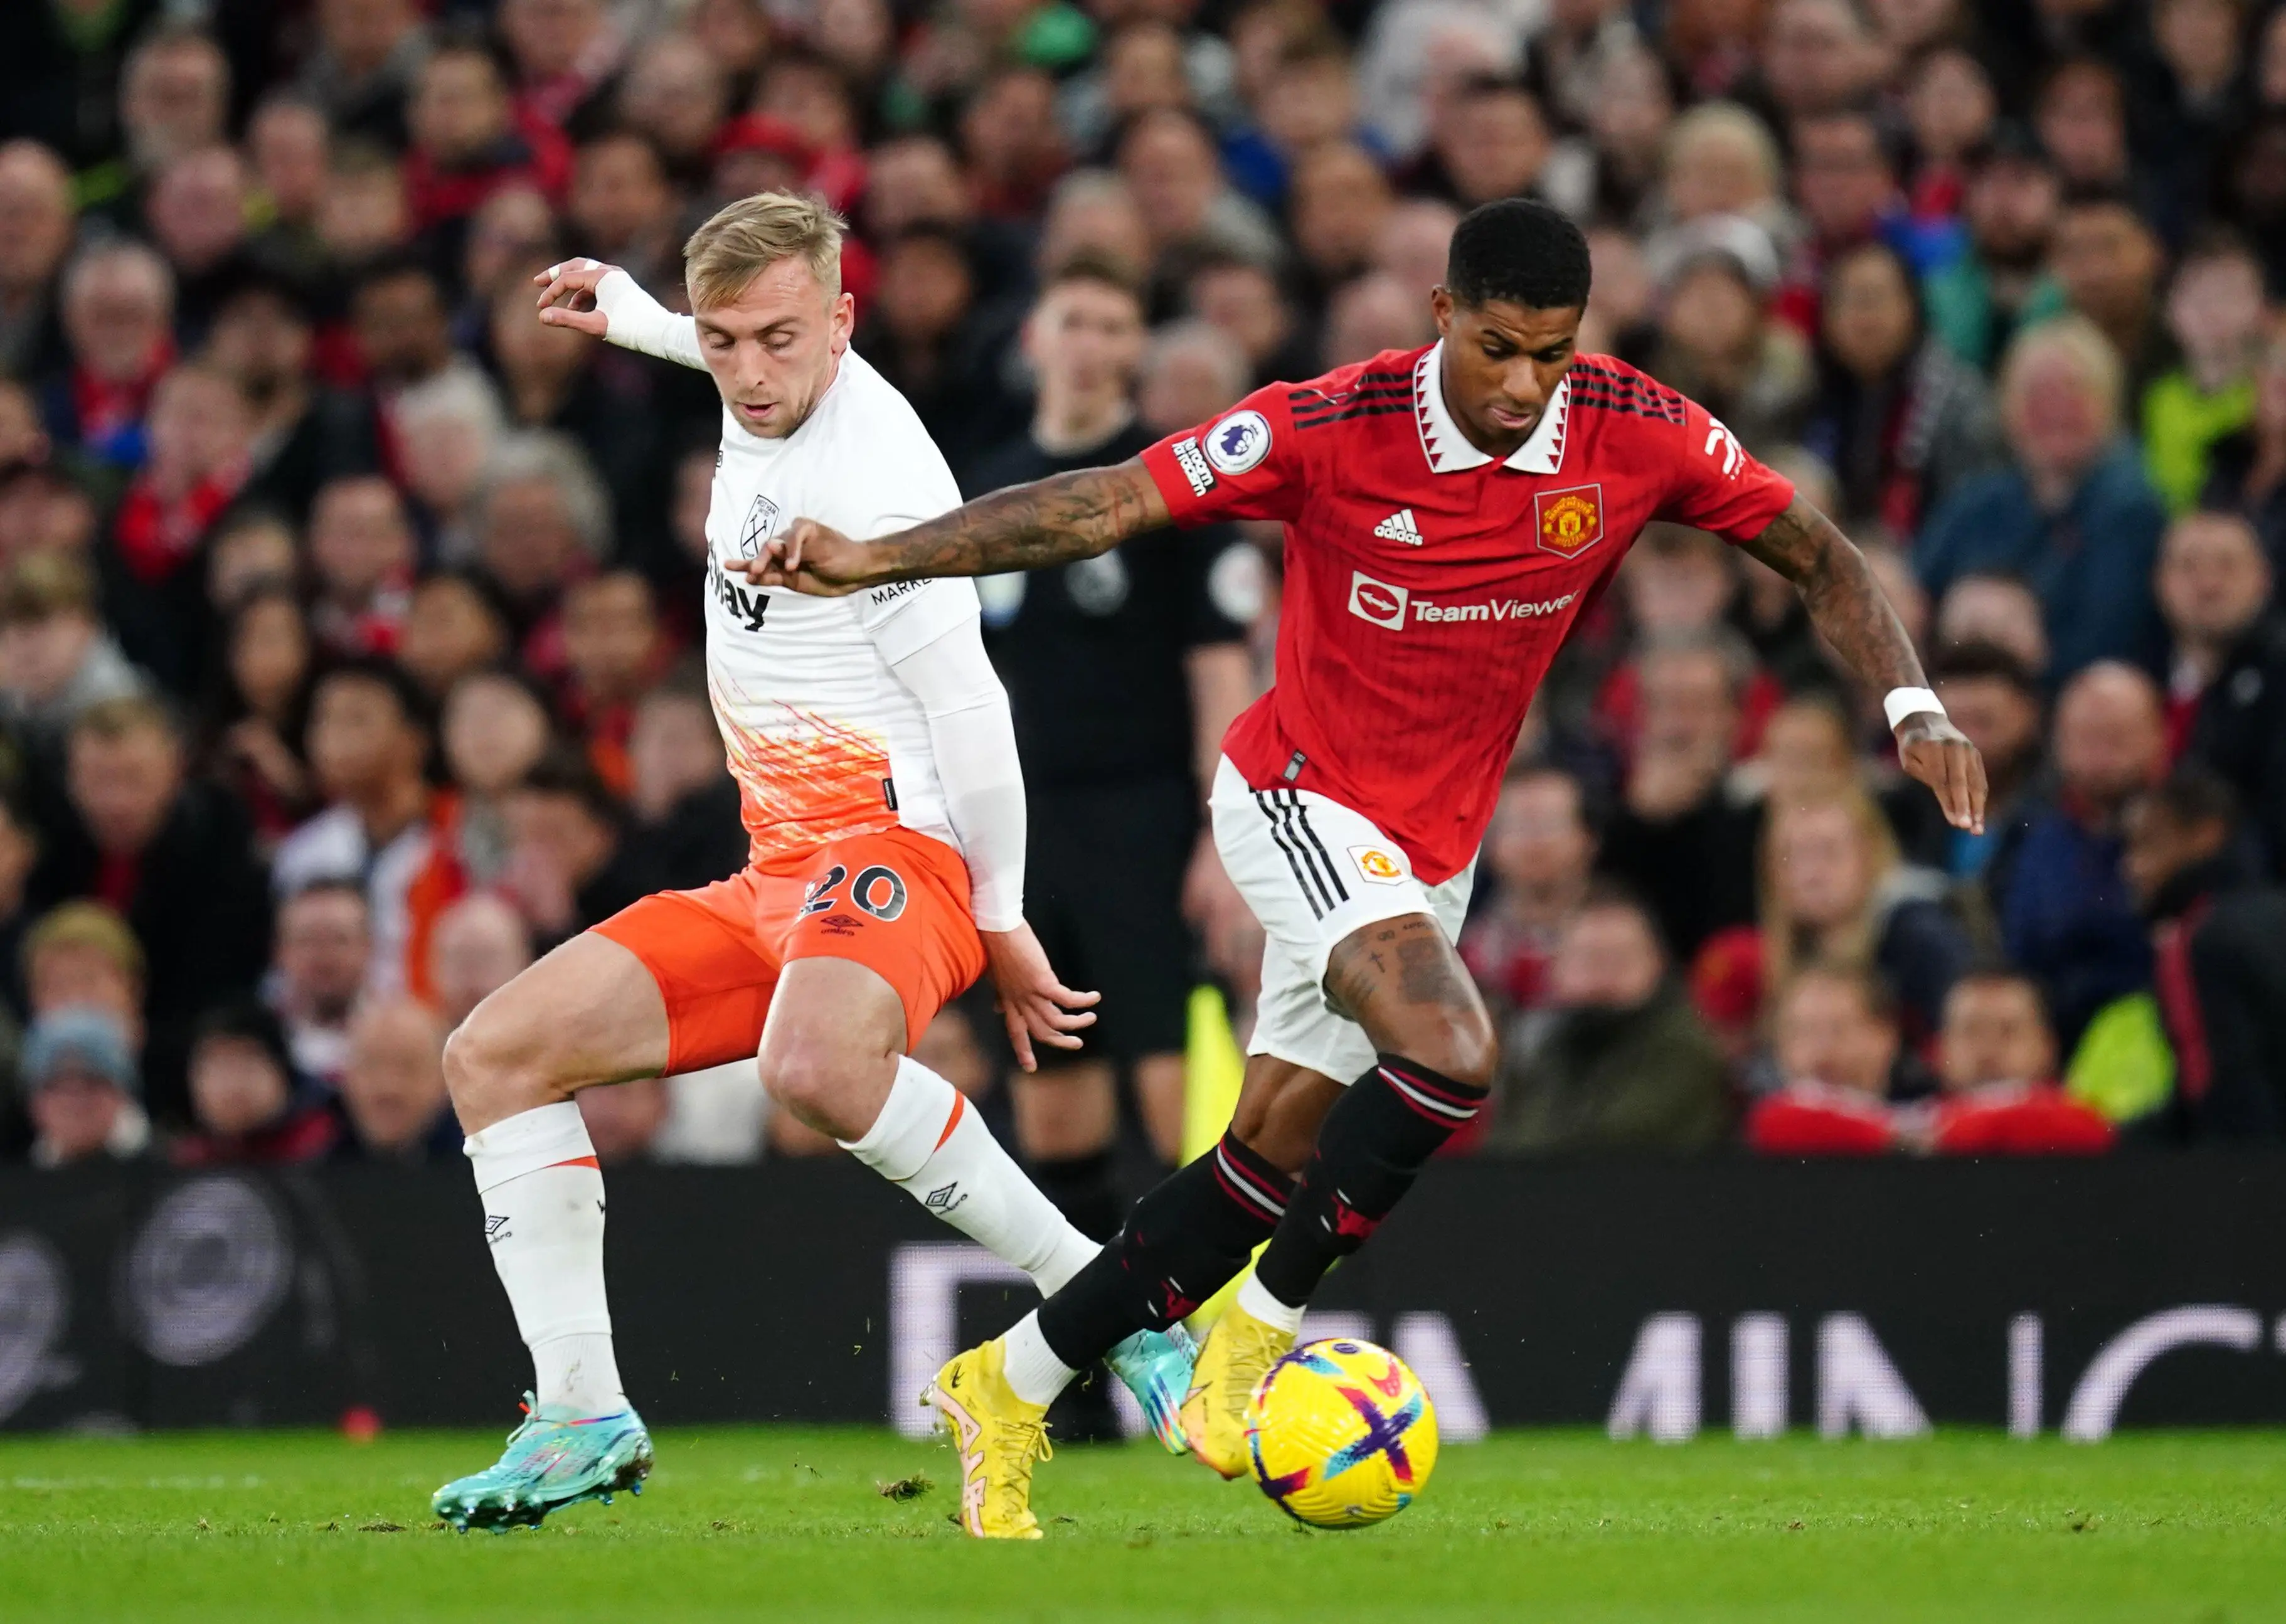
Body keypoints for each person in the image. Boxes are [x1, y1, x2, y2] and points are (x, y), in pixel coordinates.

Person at [753, 198, 1985, 1533]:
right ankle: (1256, 1339)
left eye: (1552, 355)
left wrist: (1914, 708)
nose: (1524, 386)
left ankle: (1012, 1378)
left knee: (1262, 1158)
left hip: (1426, 850)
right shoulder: (1327, 425)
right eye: (1500, 347)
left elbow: (1815, 552)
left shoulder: (1638, 430)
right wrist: (879, 556)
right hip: (1291, 796)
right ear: (1441, 315)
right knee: (1453, 1050)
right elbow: (1108, 500)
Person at [427, 191, 1196, 1531]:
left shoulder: (879, 482)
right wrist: (638, 319)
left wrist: (1002, 916)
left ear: (844, 320)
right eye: (726, 341)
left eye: (780, 339)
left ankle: (1104, 1295)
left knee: (814, 1068)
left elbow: (971, 711)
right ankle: (577, 1414)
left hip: (901, 843)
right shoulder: (752, 375)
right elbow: (724, 347)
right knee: (491, 1056)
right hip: (779, 867)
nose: (751, 372)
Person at [962, 254, 1255, 1251]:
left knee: (1177, 1097)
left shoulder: (1169, 490)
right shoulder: (986, 491)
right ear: (1036, 338)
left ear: (1137, 351)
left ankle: (1212, 1357)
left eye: (1114, 327)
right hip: (1021, 829)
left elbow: (1220, 670)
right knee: (1055, 1105)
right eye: (1075, 321)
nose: (1092, 346)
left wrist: (1220, 838)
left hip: (1146, 819)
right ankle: (1082, 1390)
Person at [1916, 316, 2169, 680]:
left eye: (2073, 390)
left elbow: (2111, 640)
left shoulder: (2132, 512)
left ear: (2109, 403)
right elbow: (1918, 601)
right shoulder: (1976, 503)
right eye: (2036, 393)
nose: (2055, 408)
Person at [1482, 884, 1730, 1154]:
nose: (1604, 977)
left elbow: (1616, 1144)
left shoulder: (1683, 1048)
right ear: (1556, 970)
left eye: (1620, 960)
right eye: (1590, 960)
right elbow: (1504, 1146)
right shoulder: (1543, 1051)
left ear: (1657, 964)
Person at [2122, 768, 2286, 1138]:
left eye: (2147, 844)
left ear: (2205, 836)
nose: (2130, 867)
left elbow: (2216, 1088)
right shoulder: (2273, 910)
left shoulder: (2194, 939)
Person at [1923, 968, 2114, 1154]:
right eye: (1971, 1031)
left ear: (2048, 1046)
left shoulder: (2080, 1124)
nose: (1989, 1049)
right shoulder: (1918, 1121)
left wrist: (1943, 1133)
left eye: (2009, 1031)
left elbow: (2087, 1130)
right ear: (1939, 1048)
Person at [1743, 963, 1903, 1154]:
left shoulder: (1928, 1128)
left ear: (1886, 1037)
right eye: (1804, 1032)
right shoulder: (1754, 1140)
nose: (1823, 1052)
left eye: (1839, 1030)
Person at [268, 878, 371, 1087]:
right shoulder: (259, 1044)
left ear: (368, 947)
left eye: (339, 940)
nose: (324, 957)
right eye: (308, 940)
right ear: (280, 953)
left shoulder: (405, 1040)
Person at [19, 1004, 148, 1169]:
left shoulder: (167, 1172)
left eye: (91, 1080)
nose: (74, 1097)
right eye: (56, 1083)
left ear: (122, 1091)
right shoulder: (17, 1182)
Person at [332, 994, 457, 1161]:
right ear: (346, 1077)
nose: (389, 1087)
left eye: (409, 1068)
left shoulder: (486, 1174)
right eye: (372, 1067)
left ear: (444, 1082)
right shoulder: (303, 1169)